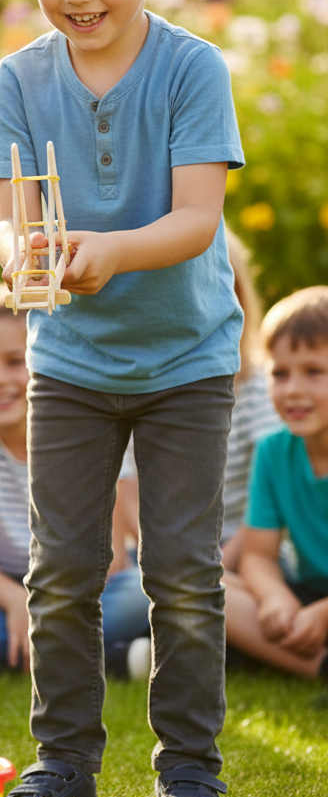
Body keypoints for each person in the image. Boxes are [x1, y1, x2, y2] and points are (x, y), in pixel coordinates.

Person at [0, 0, 244, 797]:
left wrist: (108, 250)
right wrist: (31, 261)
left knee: (182, 572)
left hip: (187, 361)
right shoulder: (19, 81)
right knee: (61, 572)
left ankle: (190, 775)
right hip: (72, 361)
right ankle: (63, 766)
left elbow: (194, 221)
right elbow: (15, 230)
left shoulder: (191, 71)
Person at [0, 283, 151, 678]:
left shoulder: (93, 432)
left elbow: (111, 556)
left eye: (16, 361)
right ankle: (94, 656)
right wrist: (17, 601)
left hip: (79, 590)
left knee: (143, 592)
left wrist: (49, 606)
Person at [115, 227, 281, 576]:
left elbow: (266, 497)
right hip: (163, 553)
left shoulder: (259, 388)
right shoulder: (133, 386)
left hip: (243, 548)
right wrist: (164, 562)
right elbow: (127, 487)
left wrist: (212, 570)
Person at [224, 287, 328, 680]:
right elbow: (258, 555)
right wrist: (274, 597)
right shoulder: (273, 452)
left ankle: (279, 656)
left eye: (313, 371)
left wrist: (323, 615)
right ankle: (319, 665)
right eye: (280, 373)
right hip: (308, 591)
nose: (293, 390)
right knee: (210, 586)